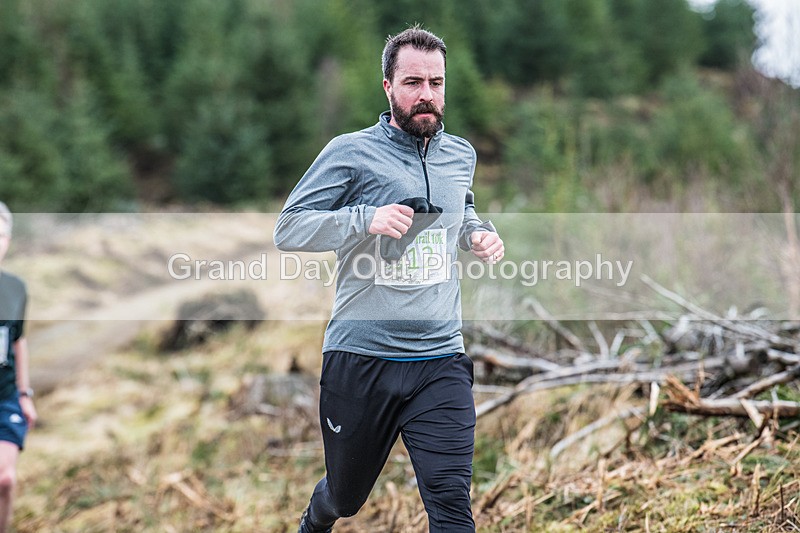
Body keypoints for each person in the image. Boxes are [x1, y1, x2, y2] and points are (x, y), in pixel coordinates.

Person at [274, 26, 504, 533]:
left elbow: (460, 213)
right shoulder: (351, 152)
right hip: (362, 358)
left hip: (439, 359)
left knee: (450, 503)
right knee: (345, 495)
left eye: (437, 83)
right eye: (413, 82)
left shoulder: (460, 154)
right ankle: (315, 520)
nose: (427, 94)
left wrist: (479, 234)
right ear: (387, 86)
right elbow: (288, 228)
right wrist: (364, 218)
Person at [0, 201, 36, 533]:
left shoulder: (15, 288)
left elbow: (18, 340)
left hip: (5, 395)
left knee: (6, 479)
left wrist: (25, 394)